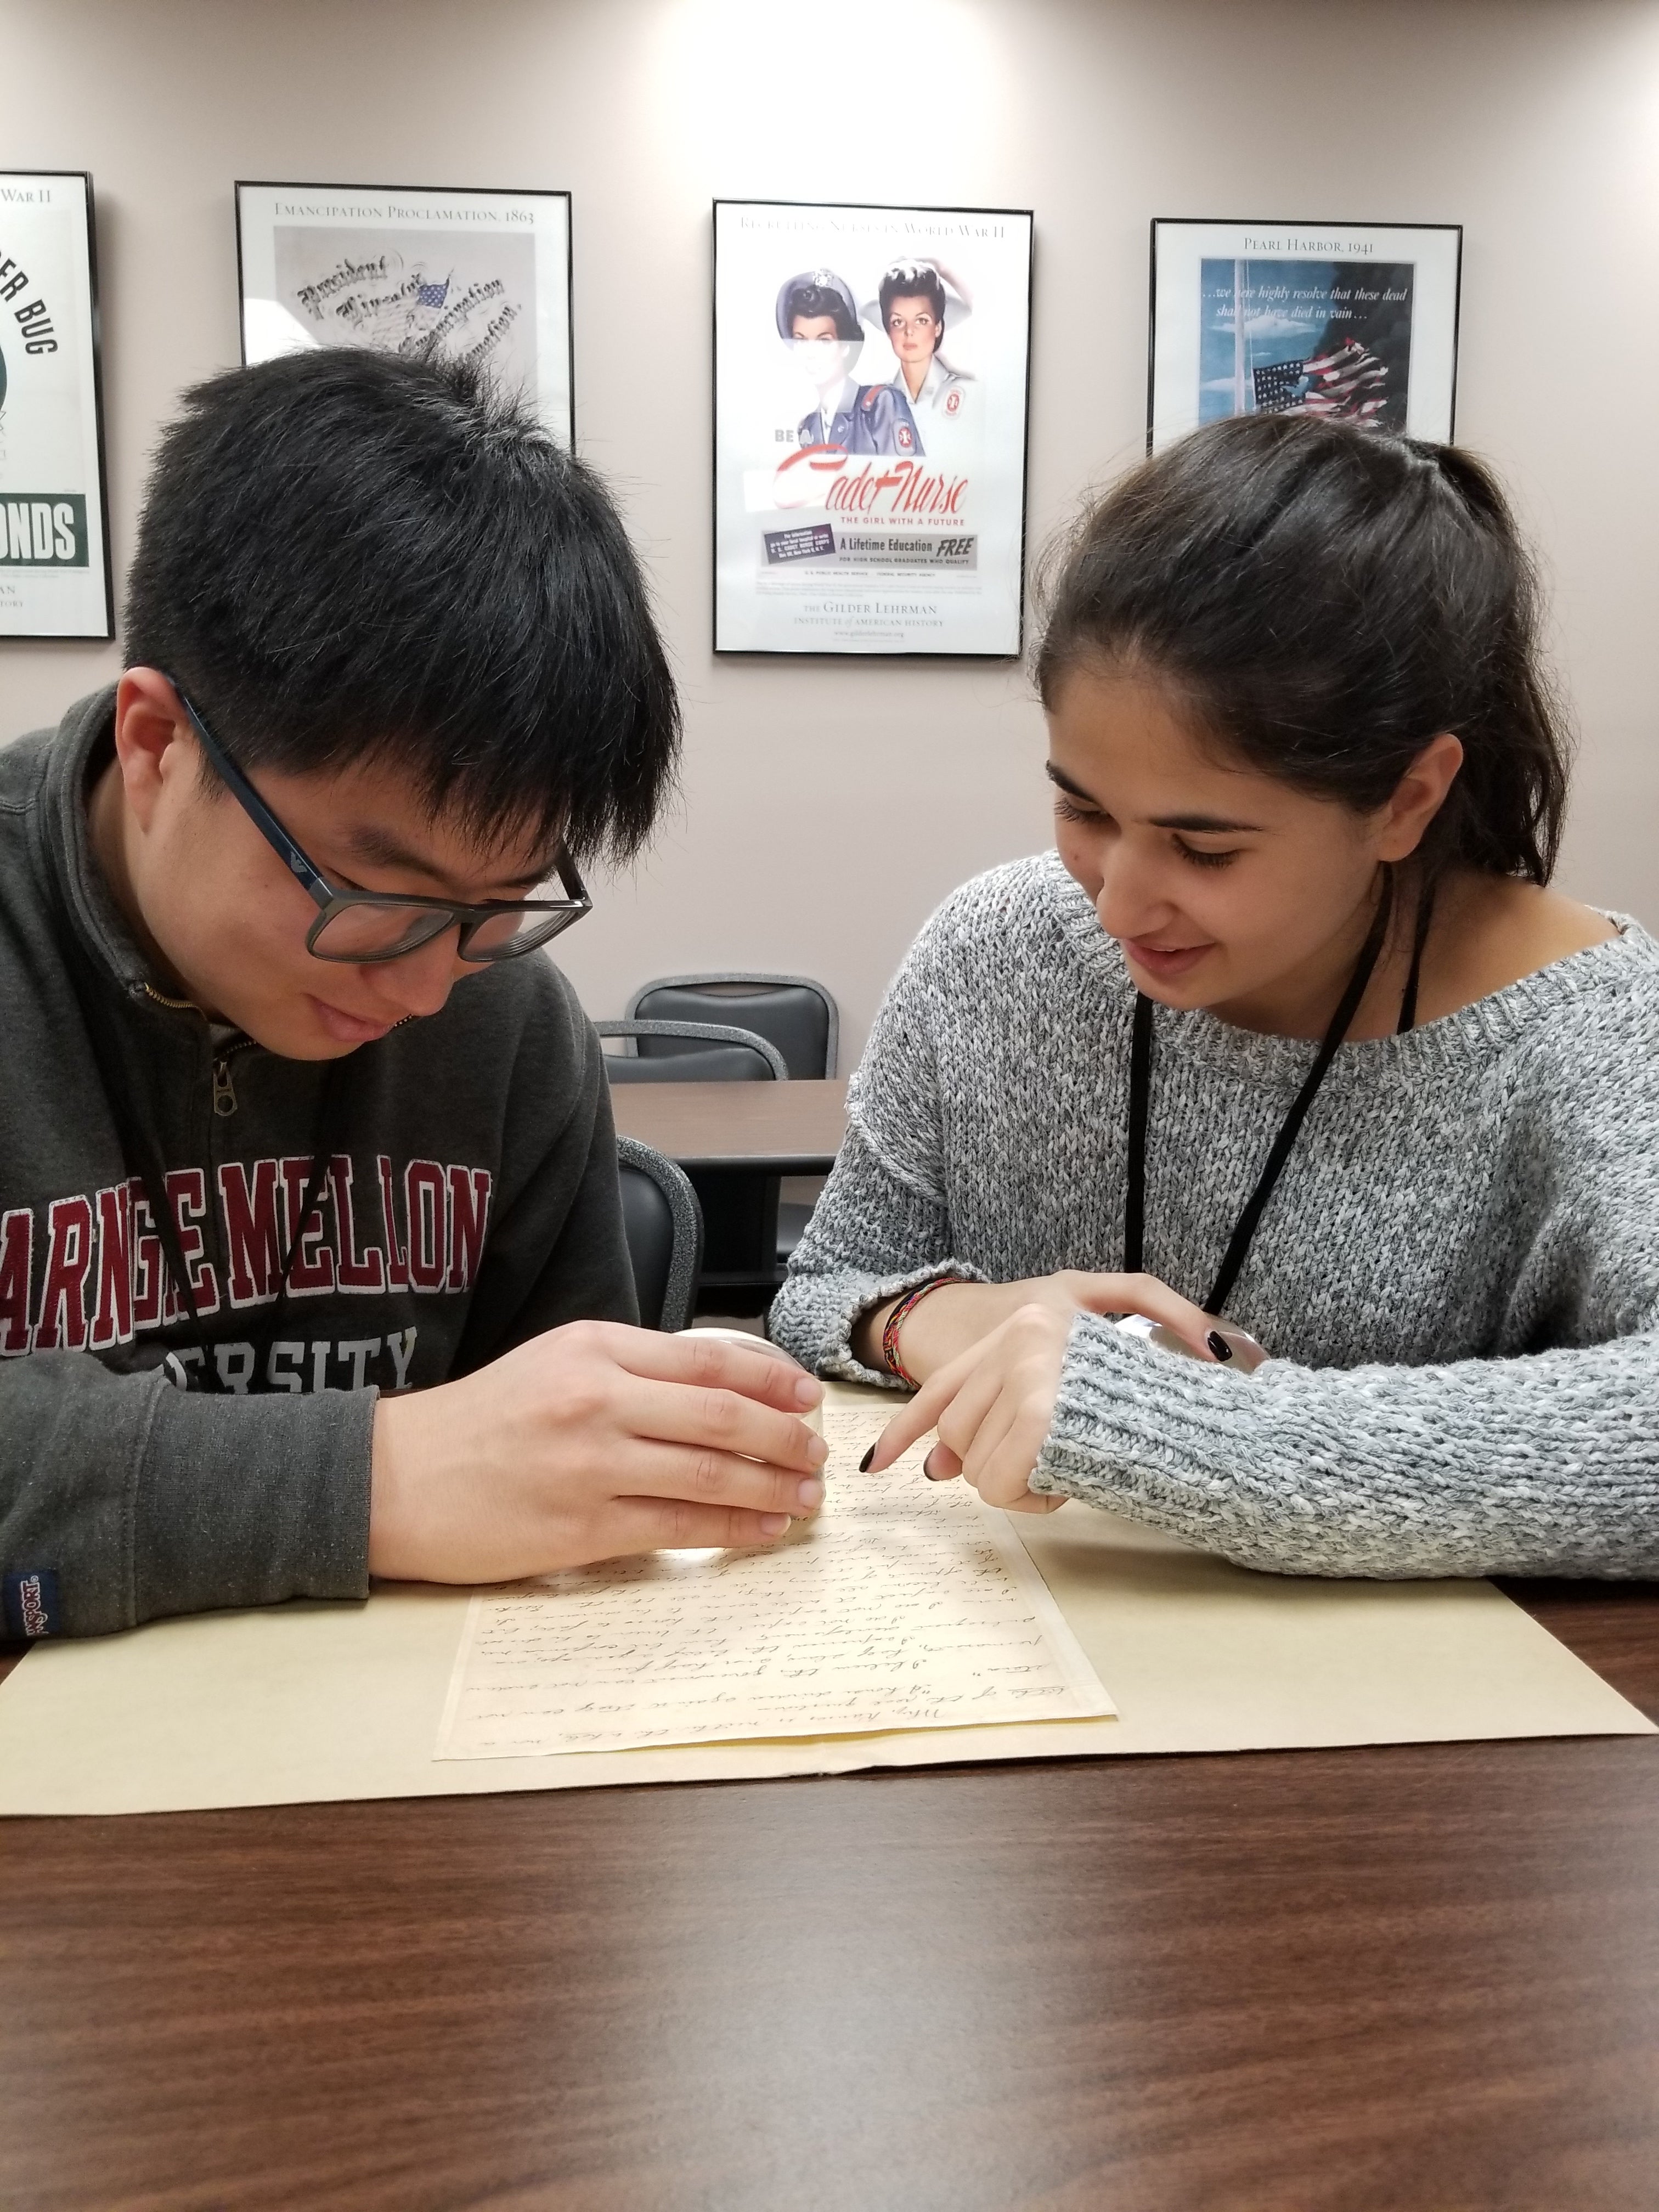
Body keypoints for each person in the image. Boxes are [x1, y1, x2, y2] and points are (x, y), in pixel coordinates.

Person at [0, 347, 825, 1645]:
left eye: (496, 904)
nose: (435, 983)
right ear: (157, 746)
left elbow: (567, 1516)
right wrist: (373, 1479)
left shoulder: (508, 1022)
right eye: (372, 893)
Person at [771, 412, 1659, 1581]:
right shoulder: (992, 948)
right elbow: (821, 1289)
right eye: (1085, 810)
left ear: (1408, 798)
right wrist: (925, 1320)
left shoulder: (1588, 1025)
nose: (1118, 906)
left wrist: (1161, 1425)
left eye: (1206, 848)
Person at [776, 269, 922, 457]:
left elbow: (908, 479)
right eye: (802, 341)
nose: (811, 353)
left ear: (845, 346)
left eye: (824, 341)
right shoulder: (809, 427)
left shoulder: (881, 405)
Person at [869, 261, 973, 439]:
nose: (909, 331)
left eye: (921, 321)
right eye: (898, 322)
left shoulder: (968, 393)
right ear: (888, 331)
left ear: (938, 327)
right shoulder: (876, 403)